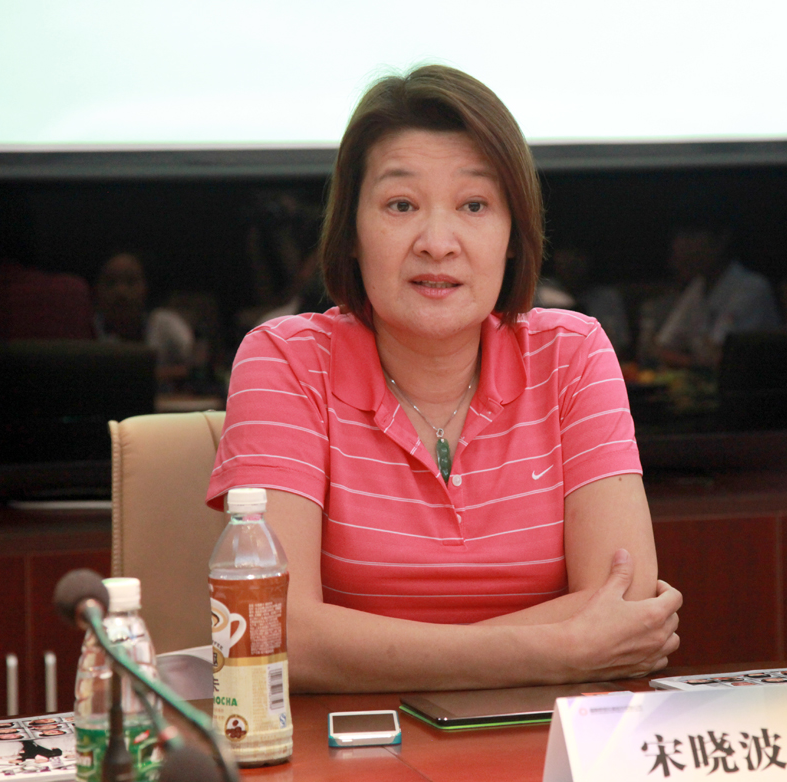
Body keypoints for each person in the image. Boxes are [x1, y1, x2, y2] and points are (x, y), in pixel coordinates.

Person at [206, 65, 681, 693]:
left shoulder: (572, 353)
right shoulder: (284, 360)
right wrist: (559, 649)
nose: (437, 242)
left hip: (550, 733)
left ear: (513, 234)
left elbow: (626, 602)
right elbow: (275, 629)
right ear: (350, 233)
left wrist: (379, 653)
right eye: (401, 205)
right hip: (351, 740)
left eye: (474, 205)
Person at [645, 221, 780, 368]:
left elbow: (720, 361)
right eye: (678, 237)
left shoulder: (752, 288)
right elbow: (662, 347)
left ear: (721, 239)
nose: (678, 246)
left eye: (690, 236)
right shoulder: (698, 286)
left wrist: (687, 361)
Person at [93, 250, 195, 387]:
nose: (120, 292)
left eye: (131, 282)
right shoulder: (88, 328)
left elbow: (197, 367)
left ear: (146, 287)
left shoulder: (165, 323)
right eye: (110, 282)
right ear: (96, 289)